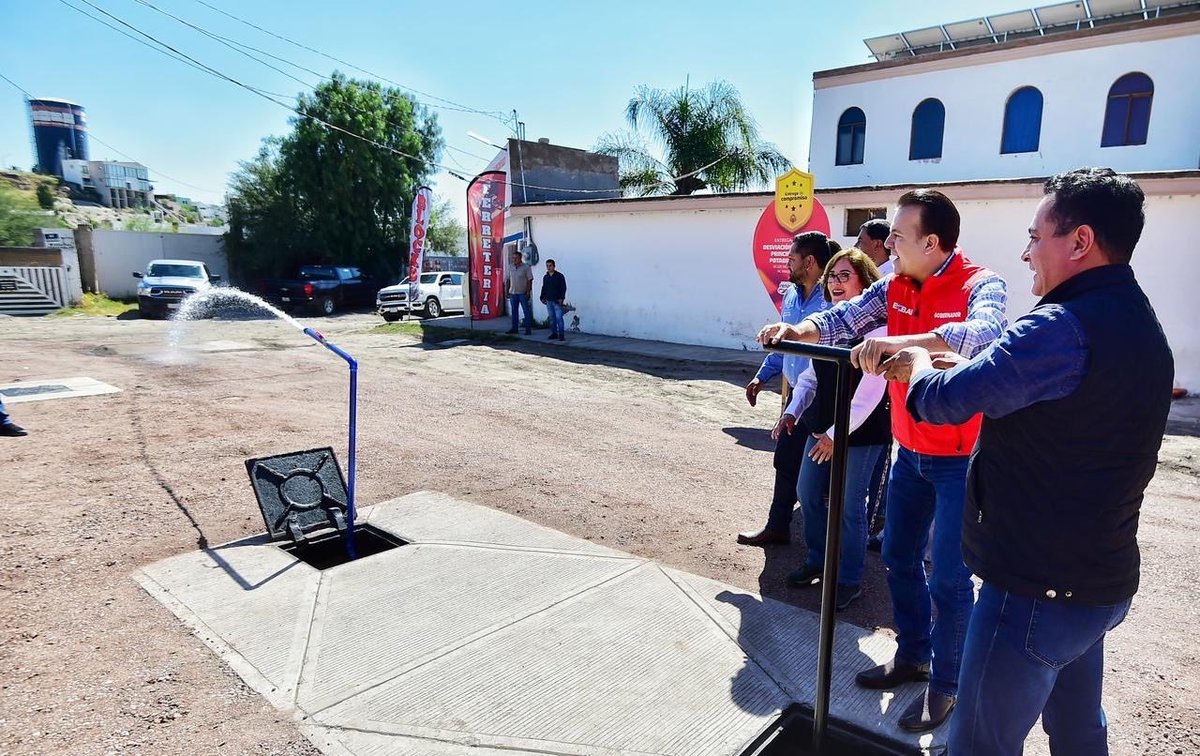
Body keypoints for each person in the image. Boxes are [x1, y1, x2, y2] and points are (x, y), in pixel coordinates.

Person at [882, 168, 1172, 754]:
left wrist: (913, 362)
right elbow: (1036, 395)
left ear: (1080, 241)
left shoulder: (1060, 328)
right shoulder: (1141, 323)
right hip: (1095, 584)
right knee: (1078, 731)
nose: (1025, 253)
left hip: (1033, 594)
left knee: (978, 745)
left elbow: (945, 401)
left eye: (1035, 236)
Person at [758, 189, 1008, 733]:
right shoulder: (892, 286)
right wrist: (798, 331)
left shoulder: (981, 283)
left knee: (948, 576)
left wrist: (898, 343)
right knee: (897, 557)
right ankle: (914, 655)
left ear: (932, 242)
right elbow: (847, 316)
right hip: (910, 452)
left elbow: (981, 338)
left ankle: (947, 685)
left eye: (897, 235)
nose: (888, 243)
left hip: (959, 457)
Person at [777, 248, 889, 611]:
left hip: (861, 435)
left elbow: (869, 396)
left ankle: (847, 579)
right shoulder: (827, 324)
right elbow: (810, 378)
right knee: (807, 492)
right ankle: (818, 560)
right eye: (832, 276)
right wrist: (792, 411)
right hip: (822, 430)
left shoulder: (880, 331)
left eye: (845, 276)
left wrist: (835, 435)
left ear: (865, 282)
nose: (836, 283)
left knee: (850, 506)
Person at [737, 232, 837, 546]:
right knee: (785, 460)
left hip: (826, 397)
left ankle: (825, 551)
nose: (787, 264)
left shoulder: (832, 297)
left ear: (809, 262)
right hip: (797, 394)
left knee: (823, 474)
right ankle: (777, 526)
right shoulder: (791, 297)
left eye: (792, 259)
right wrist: (761, 376)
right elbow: (783, 346)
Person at [855, 218, 894, 547]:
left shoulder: (895, 281)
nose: (857, 245)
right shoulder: (878, 285)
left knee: (883, 460)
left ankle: (880, 522)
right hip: (872, 385)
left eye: (861, 239)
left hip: (887, 389)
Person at [506, 249, 533, 335]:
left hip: (522, 293)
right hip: (513, 293)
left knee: (526, 311)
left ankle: (528, 329)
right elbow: (508, 279)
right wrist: (507, 291)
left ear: (520, 258)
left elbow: (530, 280)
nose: (514, 260)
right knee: (514, 312)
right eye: (513, 258)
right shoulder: (510, 267)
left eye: (516, 258)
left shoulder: (526, 267)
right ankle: (514, 329)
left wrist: (528, 292)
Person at [540, 259, 568, 341]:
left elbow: (563, 288)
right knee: (552, 318)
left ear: (554, 266)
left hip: (557, 301)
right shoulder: (546, 277)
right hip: (549, 300)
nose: (548, 267)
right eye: (547, 266)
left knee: (559, 317)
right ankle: (554, 333)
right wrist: (542, 297)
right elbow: (544, 287)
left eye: (550, 266)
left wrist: (561, 298)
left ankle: (561, 334)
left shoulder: (559, 276)